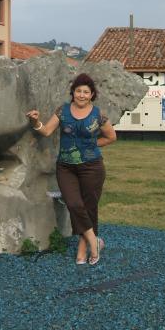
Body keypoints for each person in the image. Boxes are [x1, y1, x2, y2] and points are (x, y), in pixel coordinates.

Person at [26, 73, 116, 265]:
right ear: (73, 92)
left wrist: (92, 145)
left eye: (86, 92)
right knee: (74, 204)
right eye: (78, 91)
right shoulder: (63, 111)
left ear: (92, 95)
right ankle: (95, 241)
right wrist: (35, 121)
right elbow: (46, 131)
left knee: (89, 208)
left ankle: (82, 251)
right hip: (66, 167)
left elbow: (111, 137)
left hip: (92, 167)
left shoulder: (98, 114)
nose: (82, 95)